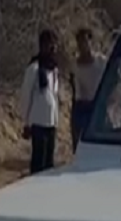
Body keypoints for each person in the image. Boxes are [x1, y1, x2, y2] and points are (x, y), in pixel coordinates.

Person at [19, 29, 61, 174]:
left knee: (49, 163)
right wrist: (26, 122)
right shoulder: (34, 68)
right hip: (38, 121)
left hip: (51, 122)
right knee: (38, 161)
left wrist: (56, 121)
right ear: (42, 45)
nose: (52, 48)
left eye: (54, 45)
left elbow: (54, 96)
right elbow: (26, 95)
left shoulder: (54, 69)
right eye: (49, 44)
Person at [69, 28, 106, 150]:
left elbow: (117, 75)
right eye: (80, 42)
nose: (82, 45)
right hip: (81, 105)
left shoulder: (101, 62)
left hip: (97, 105)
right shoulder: (75, 65)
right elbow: (74, 85)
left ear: (90, 41)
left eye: (85, 41)